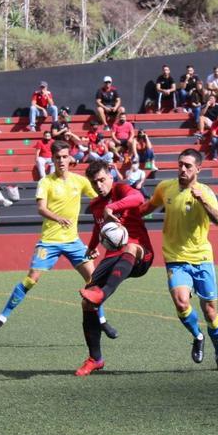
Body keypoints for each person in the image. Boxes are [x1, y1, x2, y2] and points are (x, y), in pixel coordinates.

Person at [0, 140, 116, 337]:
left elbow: (100, 195)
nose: (61, 161)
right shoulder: (45, 182)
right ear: (52, 160)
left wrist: (110, 183)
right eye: (57, 158)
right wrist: (58, 218)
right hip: (49, 241)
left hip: (73, 242)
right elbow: (41, 208)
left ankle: (103, 321)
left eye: (64, 157)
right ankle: (1, 318)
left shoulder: (79, 181)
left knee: (94, 281)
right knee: (31, 279)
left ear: (70, 157)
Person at [139, 148, 218, 371]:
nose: (182, 169)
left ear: (198, 169)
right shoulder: (165, 188)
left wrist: (203, 201)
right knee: (181, 302)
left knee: (210, 312)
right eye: (180, 164)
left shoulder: (205, 192)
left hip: (202, 258)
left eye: (188, 166)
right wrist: (122, 216)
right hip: (175, 257)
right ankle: (197, 336)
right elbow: (146, 208)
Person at [74, 160, 155, 375]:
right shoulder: (95, 205)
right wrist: (91, 247)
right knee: (86, 303)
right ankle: (95, 359)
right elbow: (98, 226)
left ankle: (104, 293)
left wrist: (113, 206)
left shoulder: (121, 189)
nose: (99, 185)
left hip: (141, 253)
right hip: (113, 256)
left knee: (130, 246)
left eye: (102, 179)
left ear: (110, 175)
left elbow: (138, 198)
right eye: (94, 183)